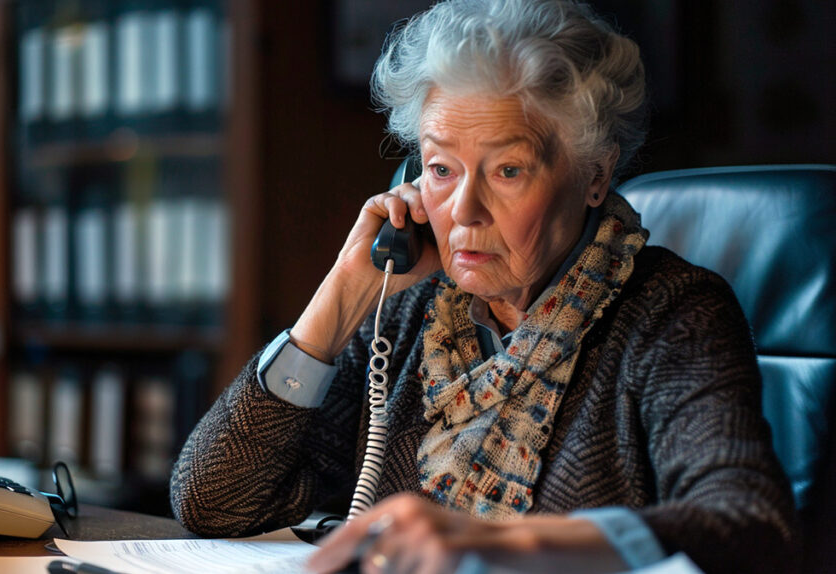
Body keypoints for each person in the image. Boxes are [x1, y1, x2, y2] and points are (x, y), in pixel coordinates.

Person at [169, 0, 799, 572]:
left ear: (594, 177)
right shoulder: (413, 312)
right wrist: (345, 292)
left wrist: (496, 542)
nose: (464, 210)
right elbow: (213, 501)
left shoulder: (672, 312)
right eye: (441, 169)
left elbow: (749, 525)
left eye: (507, 170)